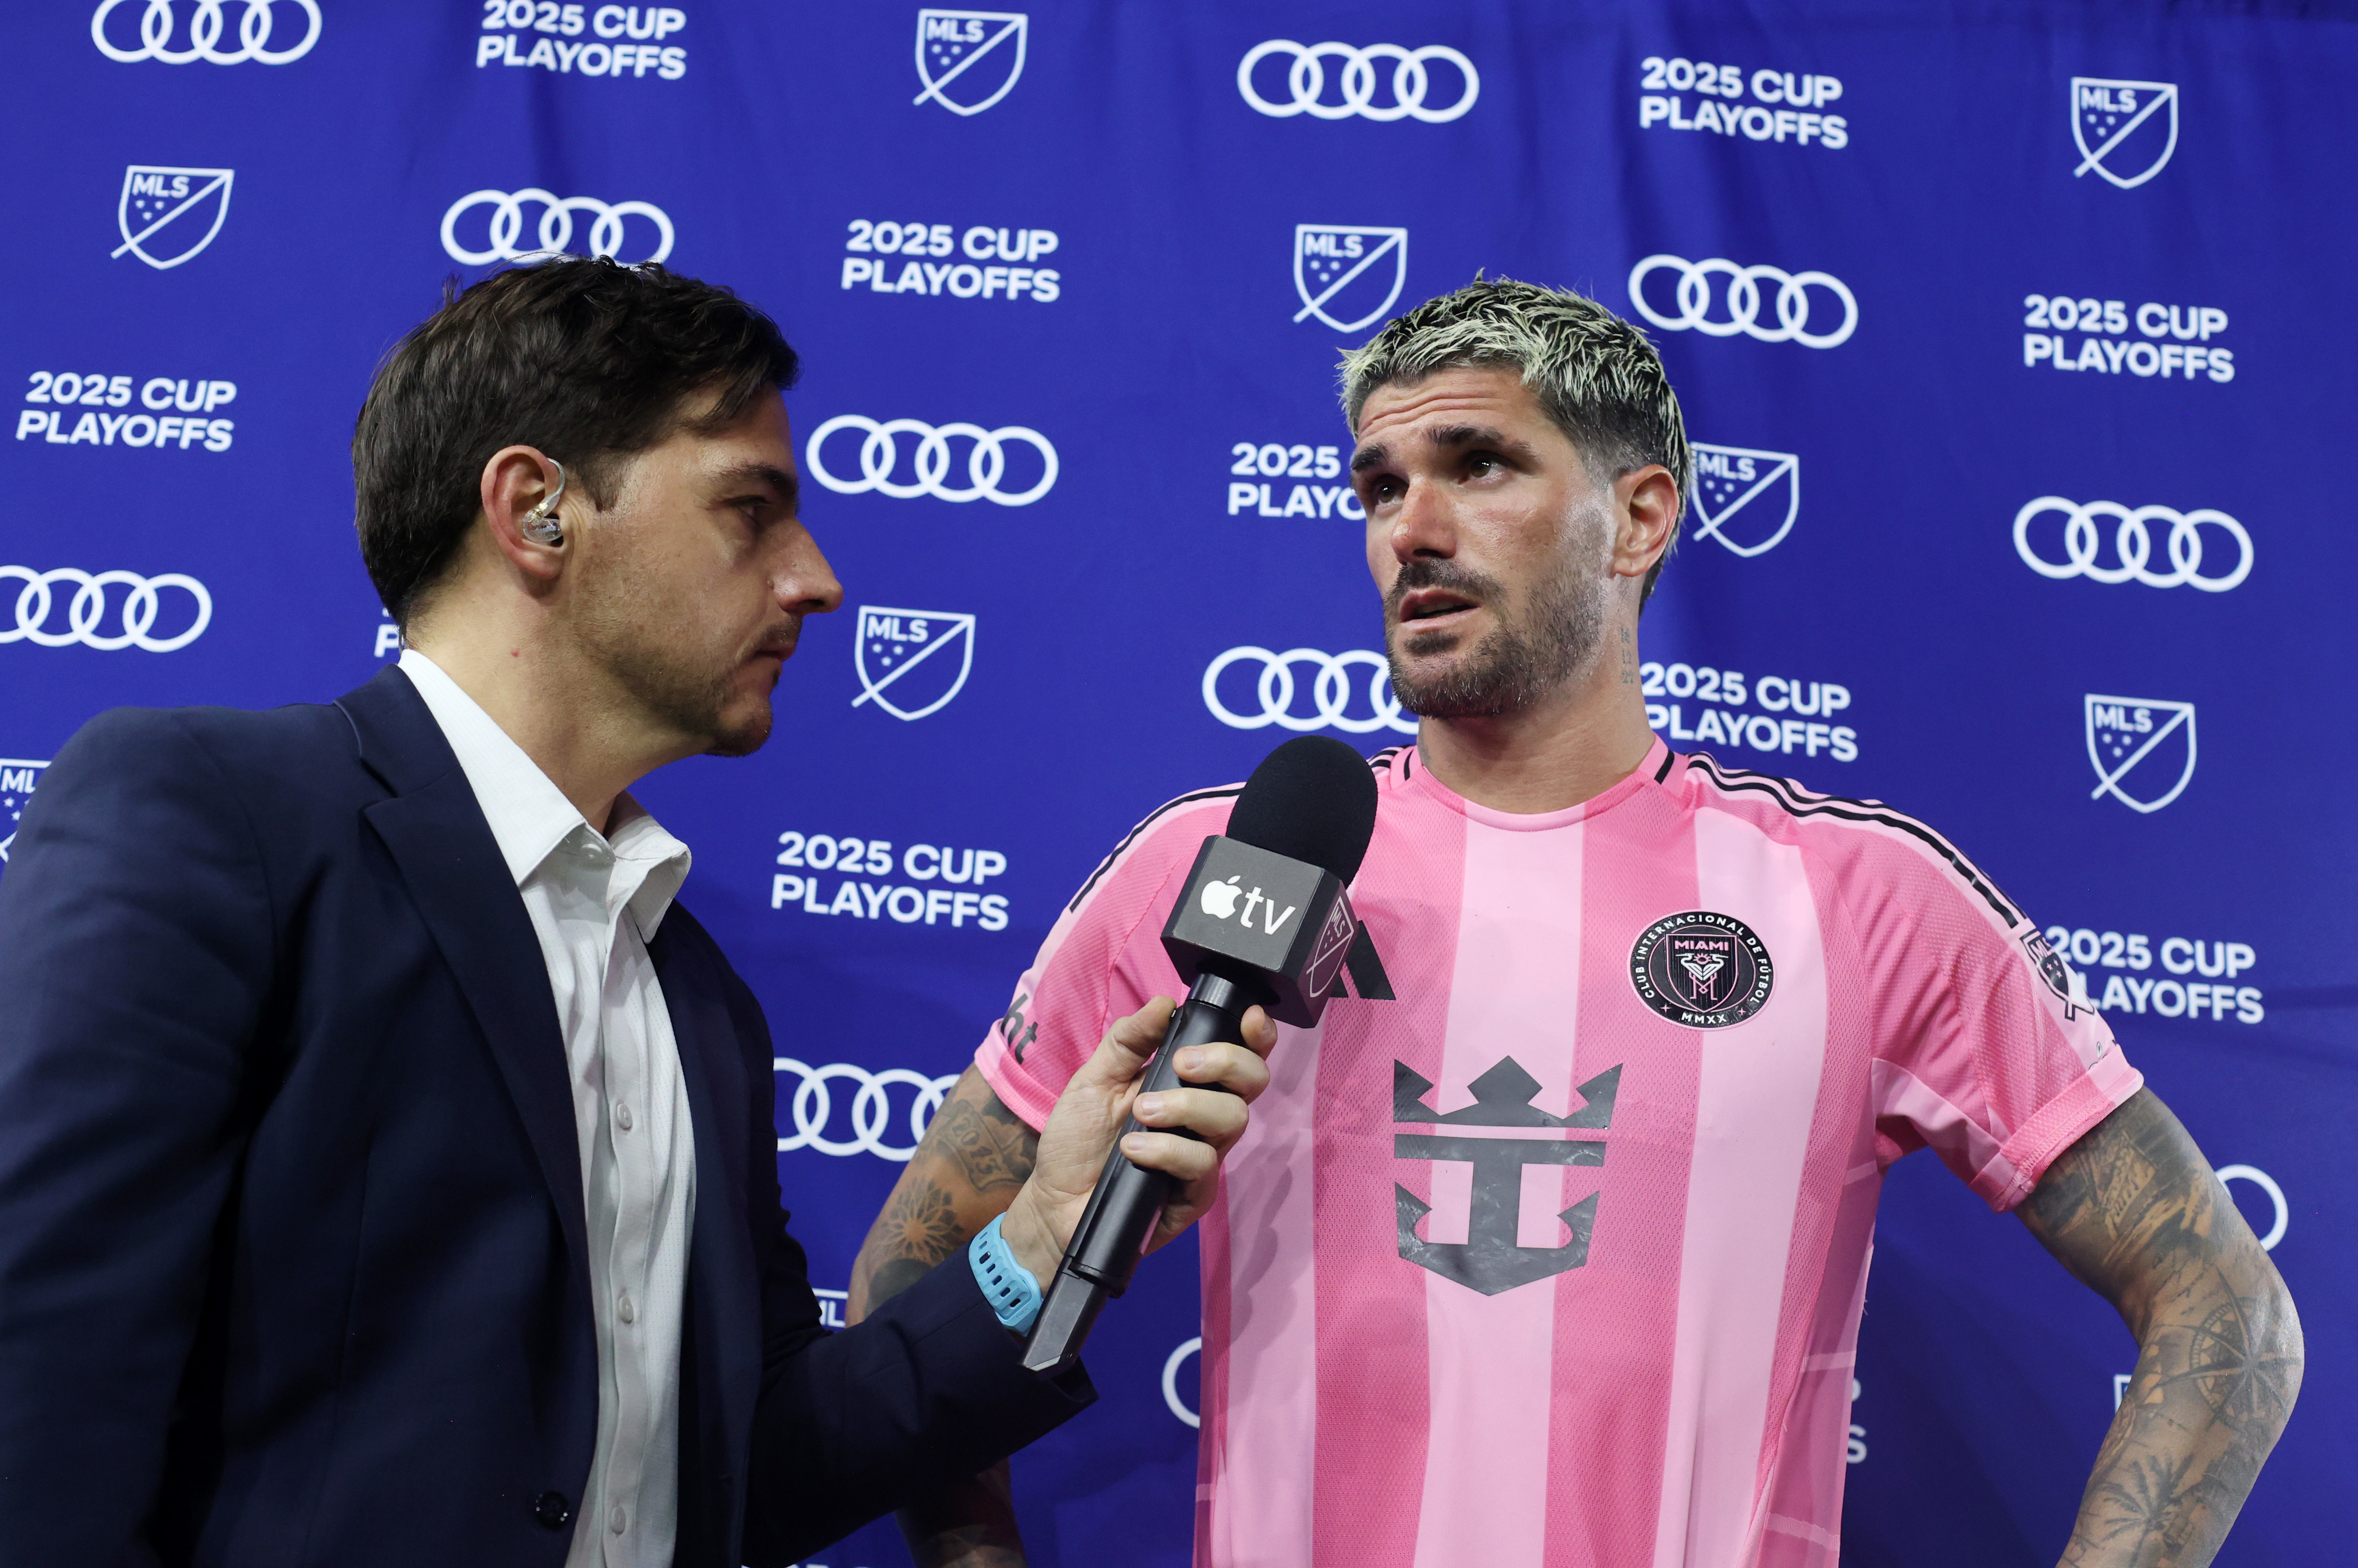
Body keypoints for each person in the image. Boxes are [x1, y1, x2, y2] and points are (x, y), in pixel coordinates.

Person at [850, 278, 2303, 1568]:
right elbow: (907, 1280)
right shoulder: (1218, 867)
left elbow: (2225, 1309)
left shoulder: (1862, 901)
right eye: (1376, 486)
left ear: (1642, 516)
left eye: (1477, 465)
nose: (1410, 528)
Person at [0, 258, 1275, 1568]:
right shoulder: (219, 814)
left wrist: (1038, 1239)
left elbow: (755, 1465)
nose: (819, 580)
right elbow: (45, 1360)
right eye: (751, 511)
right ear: (536, 510)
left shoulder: (695, 994)